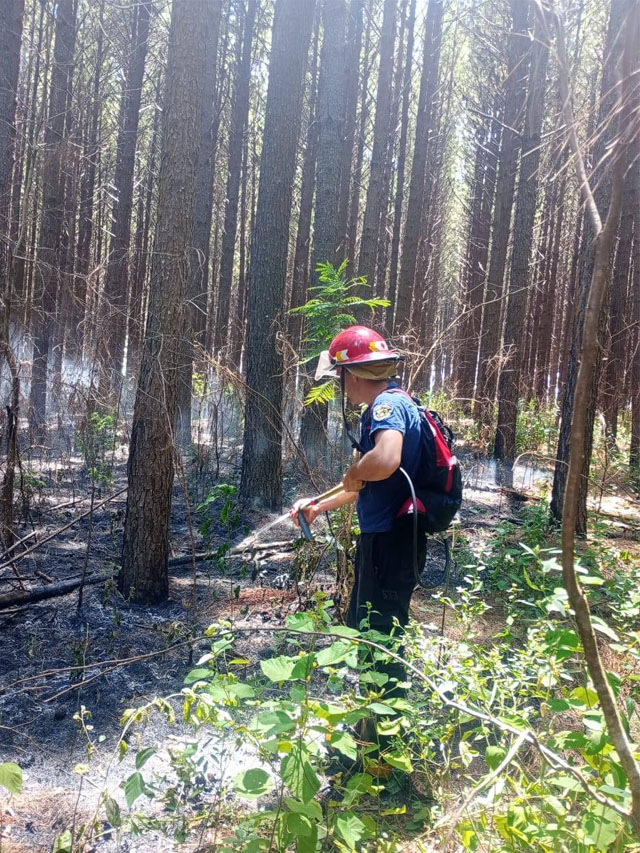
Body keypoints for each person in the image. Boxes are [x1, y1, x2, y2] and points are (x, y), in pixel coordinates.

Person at [291, 325, 427, 699]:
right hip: (388, 543)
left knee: (378, 641)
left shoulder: (386, 406)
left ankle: (382, 731)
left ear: (352, 373)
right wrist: (317, 506)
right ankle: (372, 724)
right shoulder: (390, 406)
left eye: (339, 375)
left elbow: (385, 459)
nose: (341, 385)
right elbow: (361, 487)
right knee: (368, 630)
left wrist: (356, 470)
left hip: (389, 544)